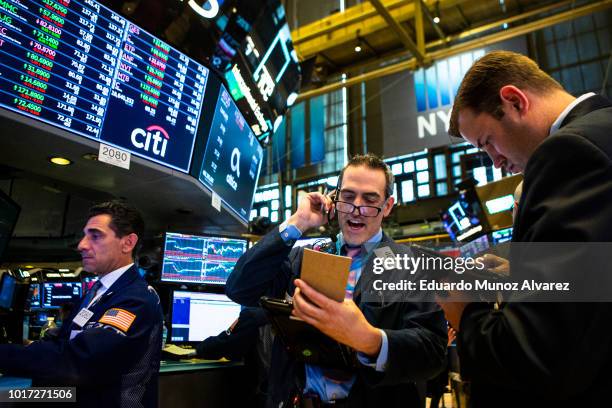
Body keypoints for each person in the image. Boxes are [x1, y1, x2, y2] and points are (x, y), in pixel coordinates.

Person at [441, 50, 612, 406]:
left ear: (514, 101)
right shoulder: (602, 130)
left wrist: (465, 310)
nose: (497, 163)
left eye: (487, 142)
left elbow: (546, 354)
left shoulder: (568, 152)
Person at [227, 154, 447, 407]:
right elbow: (239, 288)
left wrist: (370, 339)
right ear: (335, 198)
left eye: (370, 200)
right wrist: (298, 223)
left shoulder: (411, 266)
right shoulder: (304, 257)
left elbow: (432, 351)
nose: (356, 209)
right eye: (348, 196)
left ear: (387, 206)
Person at [0, 200, 163, 407]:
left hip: (101, 401)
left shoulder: (137, 298)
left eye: (95, 236)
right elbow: (64, 342)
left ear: (128, 242)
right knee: (7, 398)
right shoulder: (97, 291)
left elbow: (78, 362)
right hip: (75, 395)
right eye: (85, 235)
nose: (82, 245)